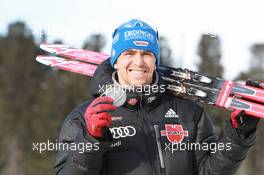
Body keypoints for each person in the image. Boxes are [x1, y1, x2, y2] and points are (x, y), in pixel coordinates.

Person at [54, 19, 261, 175]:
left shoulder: (188, 112)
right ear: (115, 61)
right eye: (129, 53)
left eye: (146, 54)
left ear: (155, 60)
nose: (139, 61)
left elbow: (210, 171)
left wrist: (239, 134)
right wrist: (91, 141)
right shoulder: (83, 117)